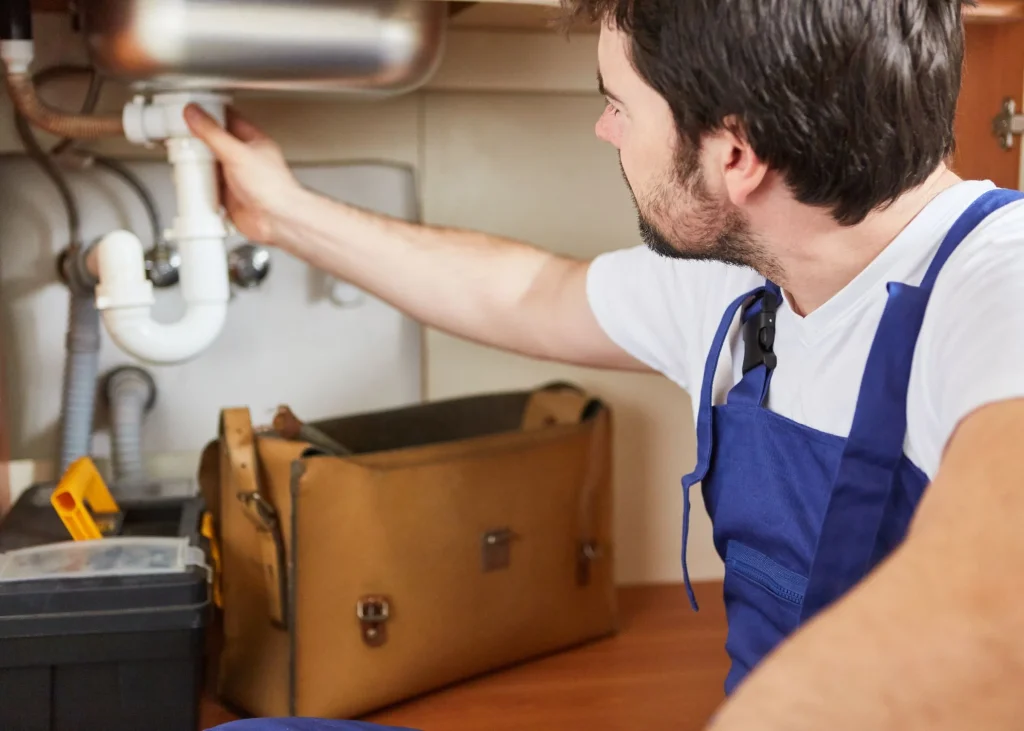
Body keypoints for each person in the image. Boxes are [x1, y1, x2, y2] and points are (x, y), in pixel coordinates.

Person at [191, 0, 1024, 728]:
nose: (606, 129)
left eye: (620, 104)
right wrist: (284, 214)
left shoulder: (998, 285)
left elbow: (997, 608)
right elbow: (529, 293)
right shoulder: (756, 280)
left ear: (735, 156)